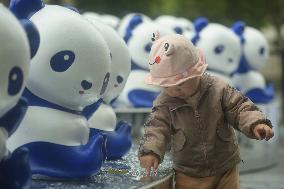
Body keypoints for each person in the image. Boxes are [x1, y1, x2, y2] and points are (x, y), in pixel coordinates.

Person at [138, 33, 274, 189]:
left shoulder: (218, 89)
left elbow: (239, 108)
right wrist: (150, 151)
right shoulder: (164, 103)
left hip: (225, 167)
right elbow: (156, 128)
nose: (175, 91)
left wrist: (256, 123)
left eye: (181, 84)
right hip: (188, 171)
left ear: (196, 72)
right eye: (167, 87)